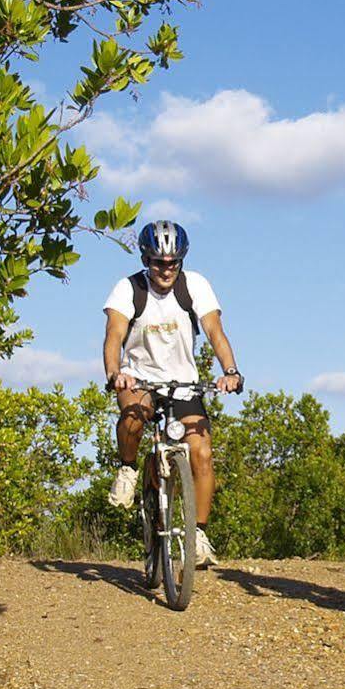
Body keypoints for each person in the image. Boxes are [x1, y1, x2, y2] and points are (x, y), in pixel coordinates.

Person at [102, 220, 243, 567]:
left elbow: (214, 330)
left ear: (181, 261)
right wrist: (115, 373)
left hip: (182, 382)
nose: (166, 270)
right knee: (133, 420)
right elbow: (113, 336)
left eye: (172, 263)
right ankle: (128, 469)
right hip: (139, 379)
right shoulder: (128, 288)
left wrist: (230, 371)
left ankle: (198, 535)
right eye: (158, 263)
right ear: (145, 259)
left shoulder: (194, 286)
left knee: (202, 452)